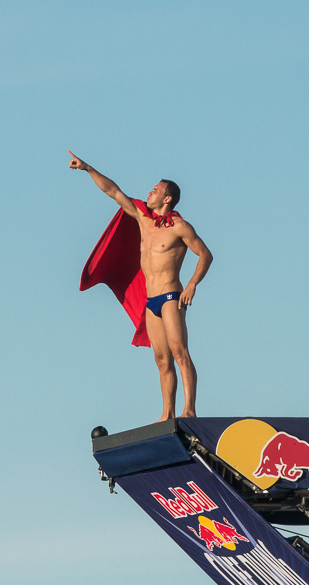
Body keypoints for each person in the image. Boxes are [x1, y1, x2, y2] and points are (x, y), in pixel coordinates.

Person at [69, 151, 213, 421]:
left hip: (172, 296)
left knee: (179, 351)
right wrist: (87, 168)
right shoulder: (143, 219)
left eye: (156, 190)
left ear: (167, 198)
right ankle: (167, 414)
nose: (150, 192)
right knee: (161, 360)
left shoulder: (180, 227)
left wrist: (192, 284)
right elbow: (114, 191)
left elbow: (205, 255)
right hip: (151, 300)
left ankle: (189, 409)